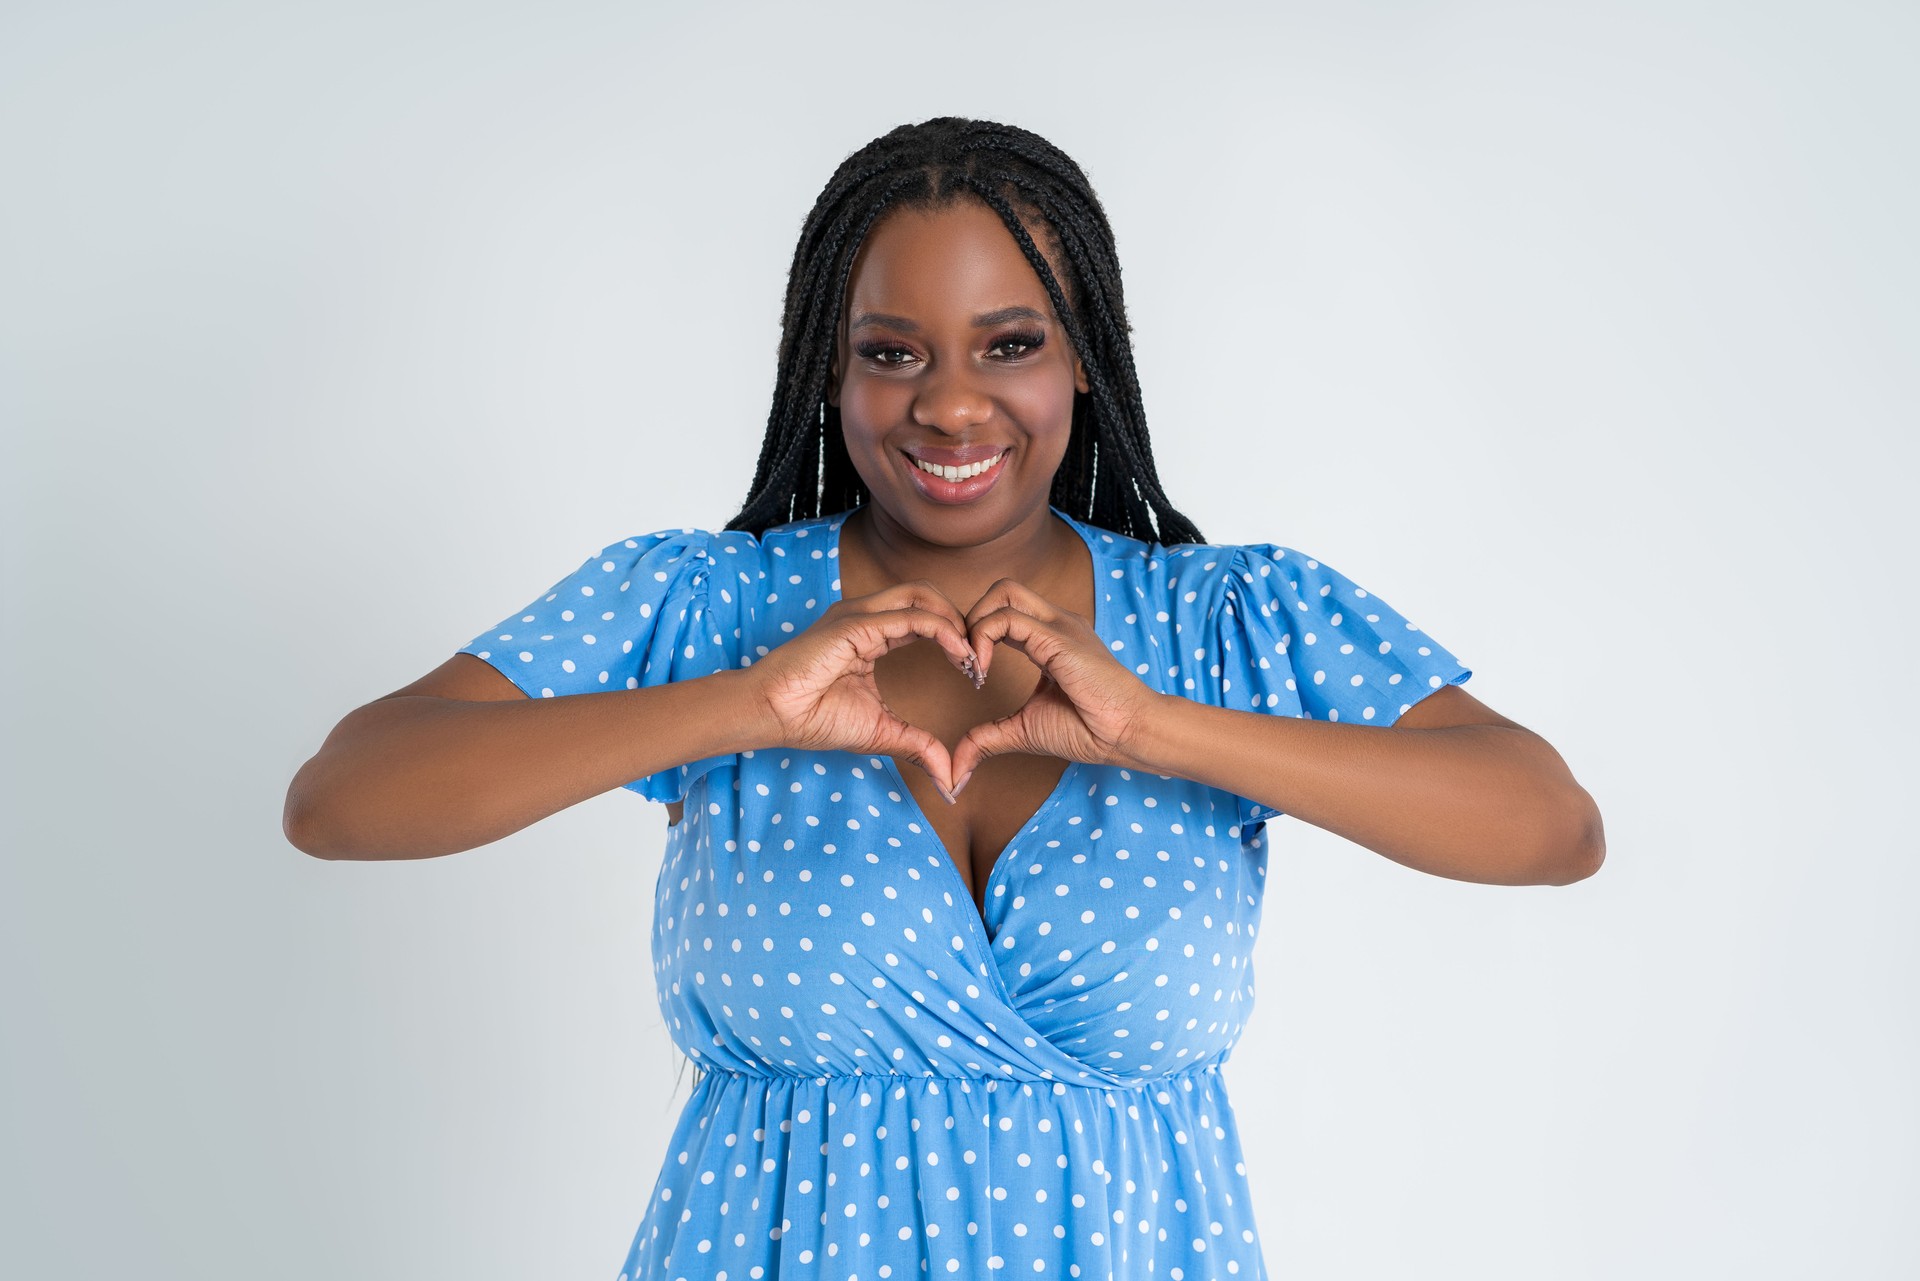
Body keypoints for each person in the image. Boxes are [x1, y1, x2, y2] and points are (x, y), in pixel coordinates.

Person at [286, 117, 1604, 1280]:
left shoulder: (1230, 625)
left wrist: (1158, 728)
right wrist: (743, 706)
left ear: (1084, 361)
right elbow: (343, 795)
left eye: (1010, 344)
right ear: (832, 372)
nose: (952, 404)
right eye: (893, 351)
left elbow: (1549, 824)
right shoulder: (705, 608)